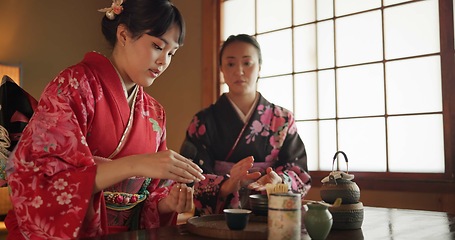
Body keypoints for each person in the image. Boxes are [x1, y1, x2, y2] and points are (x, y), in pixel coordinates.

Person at [4, 0, 205, 238]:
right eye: (157, 46)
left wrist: (168, 203)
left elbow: (149, 198)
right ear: (124, 35)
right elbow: (41, 176)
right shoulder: (73, 85)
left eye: (172, 53)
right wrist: (135, 164)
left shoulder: (155, 112)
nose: (164, 61)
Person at [180, 34, 311, 216]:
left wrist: (277, 181)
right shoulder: (202, 121)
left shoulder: (282, 119)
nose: (239, 71)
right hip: (218, 219)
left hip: (270, 214)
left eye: (247, 63)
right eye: (231, 64)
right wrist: (227, 184)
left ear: (259, 67)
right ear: (221, 69)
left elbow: (298, 170)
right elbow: (188, 174)